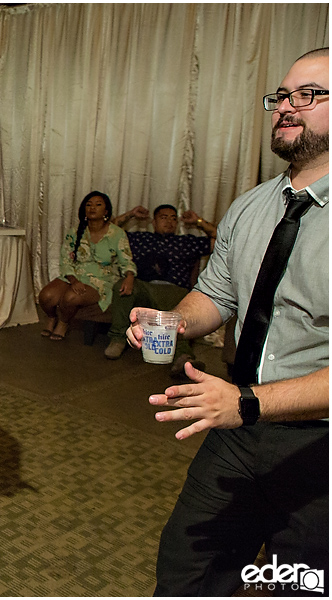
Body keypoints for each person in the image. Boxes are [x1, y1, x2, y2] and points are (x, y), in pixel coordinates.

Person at [127, 48, 328, 596]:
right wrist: (173, 317)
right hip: (241, 425)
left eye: (308, 95)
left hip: (320, 447)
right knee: (187, 569)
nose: (287, 107)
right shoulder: (251, 206)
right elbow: (215, 295)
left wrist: (246, 403)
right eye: (281, 96)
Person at [104, 203, 216, 376]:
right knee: (122, 285)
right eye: (164, 218)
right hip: (145, 287)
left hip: (174, 289)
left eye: (173, 219)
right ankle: (117, 339)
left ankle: (183, 358)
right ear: (154, 222)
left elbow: (221, 239)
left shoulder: (186, 242)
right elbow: (108, 230)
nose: (169, 222)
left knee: (175, 307)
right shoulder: (141, 239)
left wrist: (198, 222)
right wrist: (131, 214)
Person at [38, 191, 136, 341]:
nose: (92, 208)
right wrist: (73, 280)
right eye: (88, 205)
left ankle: (63, 323)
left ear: (106, 211)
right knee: (46, 296)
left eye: (98, 205)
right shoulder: (75, 232)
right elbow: (66, 260)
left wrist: (129, 277)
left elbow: (126, 260)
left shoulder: (117, 234)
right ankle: (51, 318)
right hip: (75, 275)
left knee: (71, 297)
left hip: (102, 280)